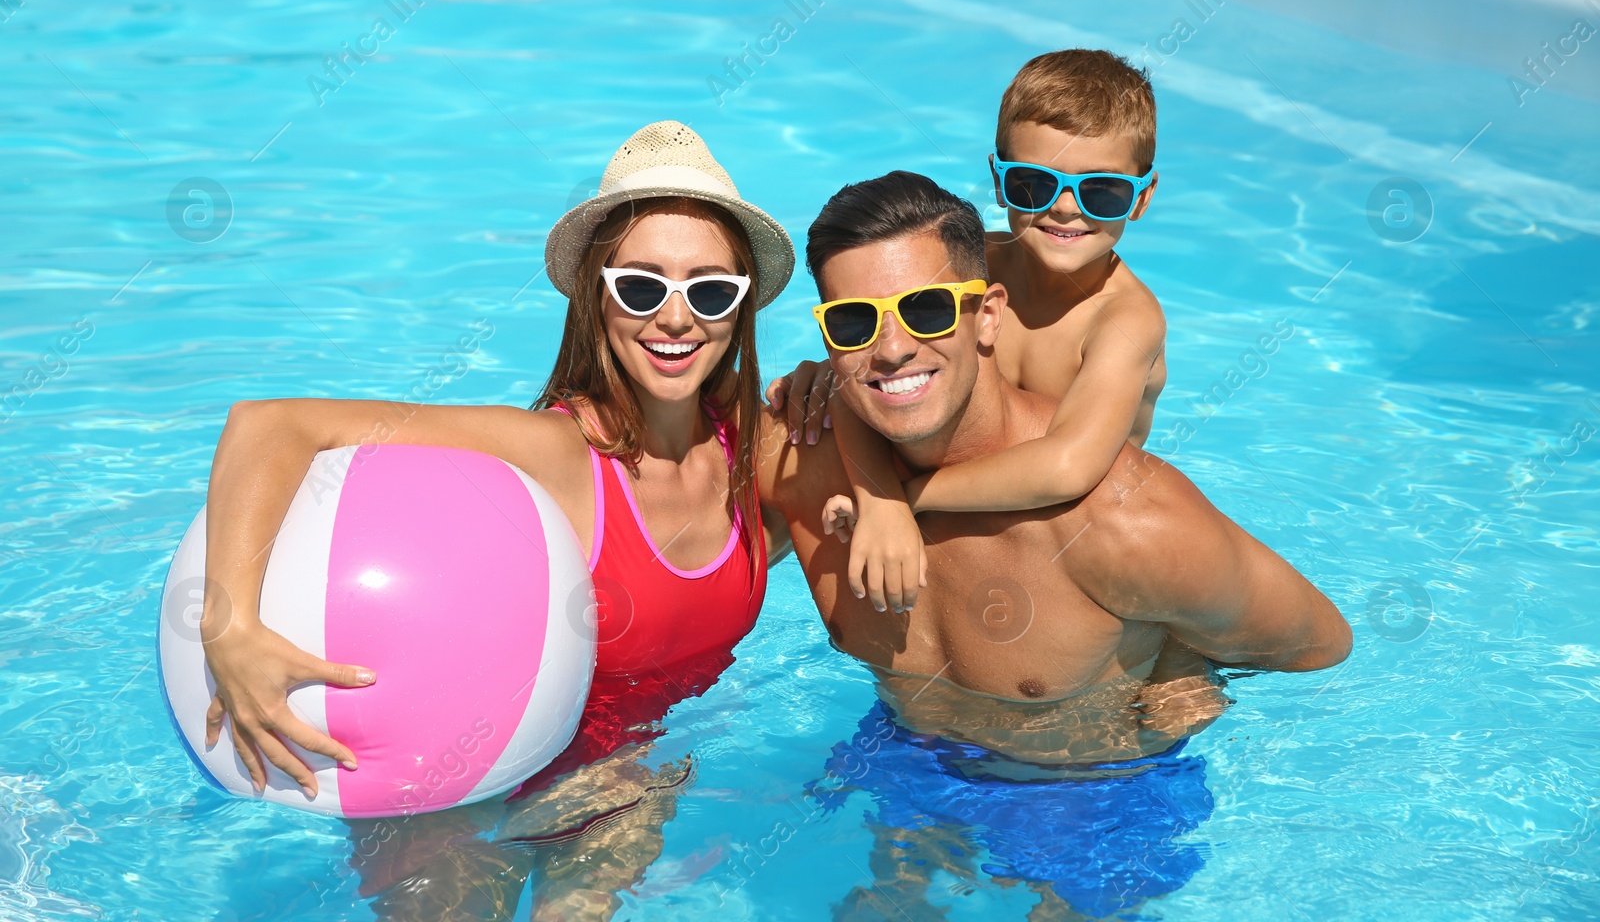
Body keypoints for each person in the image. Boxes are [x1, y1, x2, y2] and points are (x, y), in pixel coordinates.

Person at [196, 120, 794, 920]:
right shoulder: (554, 451)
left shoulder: (758, 452)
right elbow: (270, 426)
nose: (677, 319)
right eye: (641, 288)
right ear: (596, 293)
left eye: (710, 290)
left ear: (743, 304)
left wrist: (882, 497)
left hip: (619, 783)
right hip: (451, 785)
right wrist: (227, 626)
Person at [754, 171, 1351, 916]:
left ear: (988, 317)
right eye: (853, 324)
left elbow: (1319, 643)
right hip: (908, 756)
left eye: (929, 309)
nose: (893, 350)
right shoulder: (801, 461)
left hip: (1098, 790)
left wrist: (1185, 664)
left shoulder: (1121, 521)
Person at [770, 49, 1171, 615]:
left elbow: (1068, 466)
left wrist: (903, 500)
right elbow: (875, 361)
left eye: (1101, 191)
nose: (1063, 208)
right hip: (966, 499)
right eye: (1033, 184)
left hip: (1072, 529)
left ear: (1143, 197)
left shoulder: (1125, 318)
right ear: (998, 176)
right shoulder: (968, 261)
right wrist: (832, 383)